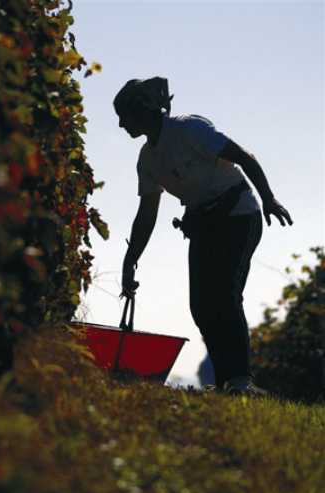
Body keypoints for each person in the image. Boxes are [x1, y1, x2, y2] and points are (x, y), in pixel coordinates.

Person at [113, 76, 293, 397]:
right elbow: (146, 216)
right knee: (201, 304)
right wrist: (130, 261)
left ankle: (240, 380)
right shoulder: (148, 160)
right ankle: (226, 382)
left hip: (238, 215)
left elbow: (243, 157)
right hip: (203, 224)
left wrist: (268, 198)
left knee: (224, 295)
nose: (120, 124)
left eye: (123, 115)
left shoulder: (189, 130)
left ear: (143, 111)